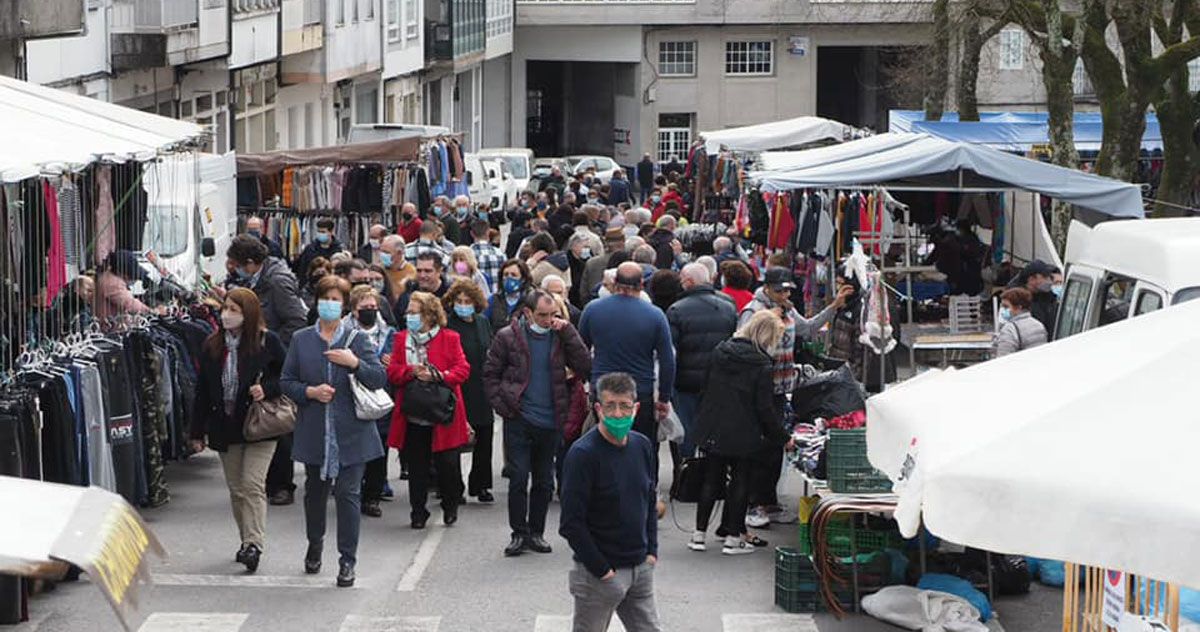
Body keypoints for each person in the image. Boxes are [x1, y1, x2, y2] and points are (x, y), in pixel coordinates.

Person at [280, 275, 387, 588]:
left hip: (352, 432)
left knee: (348, 495)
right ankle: (315, 543)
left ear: (345, 306)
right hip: (316, 432)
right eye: (324, 298)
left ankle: (347, 561)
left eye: (336, 299)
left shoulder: (357, 339)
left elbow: (378, 379)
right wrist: (310, 392)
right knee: (315, 494)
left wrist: (354, 364)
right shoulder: (301, 339)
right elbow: (286, 381)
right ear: (317, 302)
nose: (329, 304)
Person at [738, 268, 853, 527]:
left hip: (781, 387)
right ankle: (754, 504)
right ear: (766, 288)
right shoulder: (753, 310)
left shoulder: (788, 310)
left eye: (788, 290)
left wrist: (833, 306)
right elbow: (743, 346)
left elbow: (809, 329)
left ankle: (769, 502)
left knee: (775, 447)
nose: (785, 294)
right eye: (779, 290)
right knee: (760, 447)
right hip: (760, 389)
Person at [483, 290, 590, 557]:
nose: (548, 320)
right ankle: (518, 532)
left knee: (544, 481)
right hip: (519, 418)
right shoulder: (507, 337)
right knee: (518, 478)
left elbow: (585, 364)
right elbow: (490, 374)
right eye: (542, 315)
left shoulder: (561, 336)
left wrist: (569, 332)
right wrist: (504, 406)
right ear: (528, 313)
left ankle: (537, 532)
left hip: (552, 419)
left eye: (552, 314)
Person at [190, 288, 287, 573]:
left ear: (249, 313)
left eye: (234, 309)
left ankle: (254, 544)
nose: (227, 315)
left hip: (259, 425)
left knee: (252, 484)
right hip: (226, 427)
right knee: (236, 490)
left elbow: (289, 376)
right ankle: (246, 540)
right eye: (225, 308)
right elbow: (203, 392)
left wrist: (266, 388)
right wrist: (196, 433)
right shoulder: (212, 345)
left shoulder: (268, 342)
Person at [559, 372, 662, 632]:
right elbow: (571, 523)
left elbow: (649, 500)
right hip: (599, 576)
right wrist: (602, 571)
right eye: (610, 406)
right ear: (598, 409)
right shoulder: (583, 455)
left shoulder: (642, 446)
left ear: (636, 408)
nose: (618, 414)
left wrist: (651, 552)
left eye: (625, 406)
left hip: (639, 569)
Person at [690, 311, 791, 555]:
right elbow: (764, 407)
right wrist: (783, 437)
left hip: (714, 424)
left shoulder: (720, 351)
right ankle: (733, 539)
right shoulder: (762, 364)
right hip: (745, 429)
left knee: (710, 480)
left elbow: (704, 388)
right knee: (740, 481)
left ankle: (698, 535)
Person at [578, 262, 675, 472]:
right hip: (640, 393)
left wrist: (590, 379)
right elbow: (668, 360)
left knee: (603, 442)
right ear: (641, 284)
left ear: (614, 283)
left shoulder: (593, 310)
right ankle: (646, 490)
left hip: (603, 391)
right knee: (643, 447)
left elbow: (580, 351)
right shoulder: (655, 315)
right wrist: (664, 398)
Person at [387, 292, 472, 529]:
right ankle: (418, 511)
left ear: (430, 315)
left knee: (448, 464)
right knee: (417, 466)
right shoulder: (401, 338)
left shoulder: (450, 337)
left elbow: (462, 369)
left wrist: (439, 376)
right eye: (408, 312)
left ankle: (450, 504)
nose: (409, 317)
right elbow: (393, 371)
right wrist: (411, 371)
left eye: (414, 312)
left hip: (442, 412)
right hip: (413, 413)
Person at [666, 263, 737, 461]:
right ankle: (712, 475)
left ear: (688, 282)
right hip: (718, 380)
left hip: (686, 382)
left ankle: (688, 473)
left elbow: (670, 350)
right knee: (714, 430)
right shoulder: (728, 306)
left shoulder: (676, 310)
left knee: (687, 431)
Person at [344, 285, 397, 519]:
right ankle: (351, 490)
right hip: (351, 396)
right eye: (364, 308)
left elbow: (399, 361)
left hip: (379, 397)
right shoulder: (343, 333)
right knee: (353, 446)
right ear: (354, 310)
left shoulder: (390, 333)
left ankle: (373, 496)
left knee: (379, 447)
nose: (370, 311)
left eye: (373, 307)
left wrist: (392, 361)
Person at [442, 280, 496, 504]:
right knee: (455, 441)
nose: (463, 305)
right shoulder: (448, 325)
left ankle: (480, 485)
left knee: (484, 438)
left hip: (481, 386)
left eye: (467, 301)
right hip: (458, 387)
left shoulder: (483, 322)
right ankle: (454, 488)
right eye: (459, 301)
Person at [95, 250, 152, 322]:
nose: (133, 280)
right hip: (112, 328)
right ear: (120, 273)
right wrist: (152, 311)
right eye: (131, 277)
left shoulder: (110, 276)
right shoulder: (112, 284)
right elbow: (130, 304)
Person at [994, 287, 1048, 357]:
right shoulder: (1039, 325)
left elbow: (1003, 357)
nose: (1002, 310)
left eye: (1006, 307)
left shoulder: (1010, 329)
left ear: (1019, 307)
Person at [396, 251, 449, 318]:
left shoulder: (450, 295)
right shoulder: (407, 295)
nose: (422, 275)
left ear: (439, 271)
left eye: (427, 271)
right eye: (419, 270)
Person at [1017, 260, 1060, 336]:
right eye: (1044, 277)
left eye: (1049, 277)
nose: (1049, 281)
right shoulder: (1016, 299)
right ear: (1031, 279)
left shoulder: (1048, 298)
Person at [488, 259, 532, 331]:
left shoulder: (530, 300)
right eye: (505, 275)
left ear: (523, 279)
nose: (509, 278)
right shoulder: (493, 299)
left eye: (513, 275)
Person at [469, 219, 506, 296]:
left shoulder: (468, 255)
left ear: (472, 234)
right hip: (496, 300)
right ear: (488, 232)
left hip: (476, 299)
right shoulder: (500, 254)